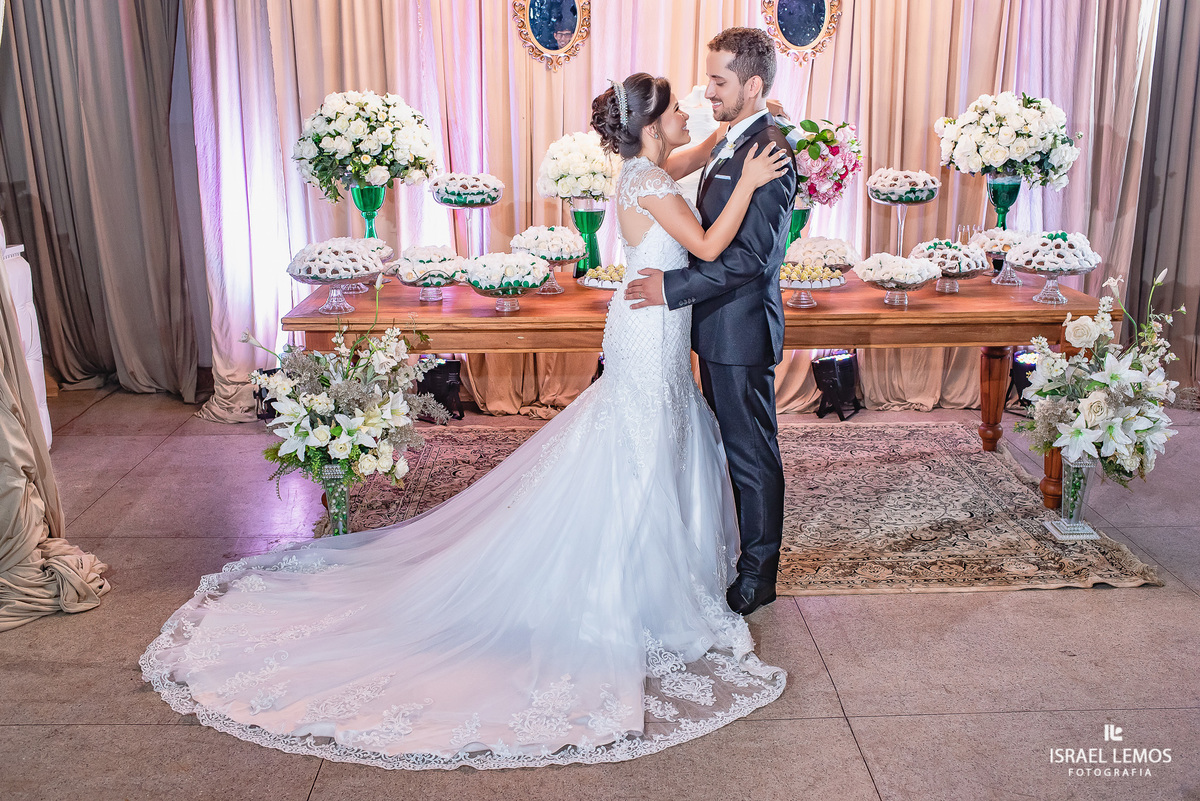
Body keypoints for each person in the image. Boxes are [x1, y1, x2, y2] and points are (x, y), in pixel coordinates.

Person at [139, 73, 791, 770]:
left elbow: (690, 157)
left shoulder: (645, 168)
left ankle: (647, 574)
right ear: (654, 125)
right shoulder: (651, 183)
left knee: (647, 439)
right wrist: (749, 182)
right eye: (679, 109)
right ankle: (625, 587)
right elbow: (711, 247)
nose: (692, 111)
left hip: (648, 329)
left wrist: (735, 131)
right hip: (648, 330)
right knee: (638, 445)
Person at [626, 27, 797, 616]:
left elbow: (751, 258)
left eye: (719, 80)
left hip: (740, 330)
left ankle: (758, 576)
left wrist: (671, 289)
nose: (707, 91)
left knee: (752, 454)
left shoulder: (769, 151)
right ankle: (731, 556)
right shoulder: (735, 138)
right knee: (731, 450)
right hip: (713, 327)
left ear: (752, 85)